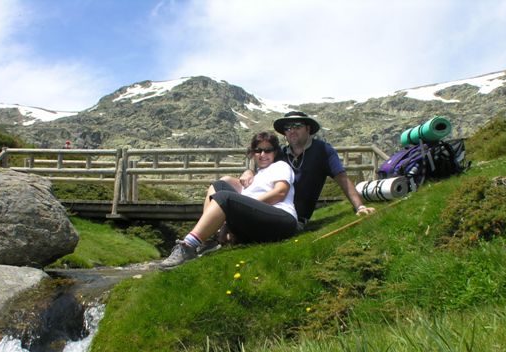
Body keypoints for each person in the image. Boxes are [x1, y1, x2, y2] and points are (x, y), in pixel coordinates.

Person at [161, 132, 298, 268]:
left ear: (275, 152)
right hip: (258, 223)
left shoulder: (280, 166)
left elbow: (280, 192)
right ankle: (213, 237)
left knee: (224, 197)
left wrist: (245, 207)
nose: (263, 154)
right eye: (258, 150)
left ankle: (188, 246)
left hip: (282, 220)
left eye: (268, 150)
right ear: (253, 153)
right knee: (218, 185)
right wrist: (248, 174)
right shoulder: (257, 175)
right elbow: (231, 185)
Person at [240, 111, 375, 227]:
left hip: (294, 217)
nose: (292, 130)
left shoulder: (323, 150)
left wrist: (360, 207)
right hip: (269, 209)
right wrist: (249, 171)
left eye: (297, 126)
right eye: (287, 128)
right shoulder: (281, 153)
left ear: (308, 129)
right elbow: (262, 170)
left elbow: (343, 179)